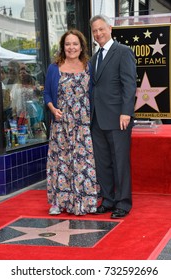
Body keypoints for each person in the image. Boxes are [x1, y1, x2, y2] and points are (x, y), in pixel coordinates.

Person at [44, 29, 99, 216]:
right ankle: (58, 203)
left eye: (75, 44)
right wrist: (52, 109)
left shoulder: (89, 66)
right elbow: (46, 94)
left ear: (81, 46)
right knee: (60, 163)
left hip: (82, 124)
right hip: (61, 124)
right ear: (63, 47)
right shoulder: (54, 67)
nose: (71, 47)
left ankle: (84, 202)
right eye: (67, 44)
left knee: (83, 164)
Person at [90, 15, 137, 218]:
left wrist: (126, 111)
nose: (98, 33)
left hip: (119, 118)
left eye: (101, 29)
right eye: (94, 31)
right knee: (103, 162)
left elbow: (129, 84)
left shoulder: (123, 52)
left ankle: (123, 203)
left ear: (110, 28)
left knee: (120, 161)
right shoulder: (94, 58)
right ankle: (108, 200)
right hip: (97, 119)